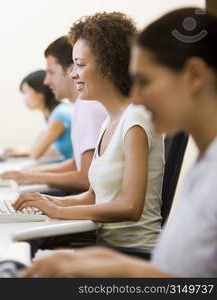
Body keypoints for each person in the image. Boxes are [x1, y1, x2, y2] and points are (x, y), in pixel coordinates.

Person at [21, 7, 217, 277]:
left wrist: (124, 268)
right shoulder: (205, 166)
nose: (135, 96)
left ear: (195, 76)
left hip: (131, 251)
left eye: (145, 81)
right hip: (126, 254)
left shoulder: (137, 120)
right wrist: (115, 262)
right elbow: (181, 271)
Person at [13, 12, 165, 251]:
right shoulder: (109, 121)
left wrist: (56, 210)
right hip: (107, 249)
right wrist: (51, 201)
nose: (73, 74)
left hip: (135, 254)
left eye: (80, 65)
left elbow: (130, 207)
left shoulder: (136, 118)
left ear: (108, 65)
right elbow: (94, 195)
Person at [1, 36, 107, 192]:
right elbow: (75, 163)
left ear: (72, 70)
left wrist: (32, 177)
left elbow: (85, 179)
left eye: (51, 72)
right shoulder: (79, 106)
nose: (46, 81)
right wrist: (27, 174)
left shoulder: (87, 108)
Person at [5, 70, 74, 160]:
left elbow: (35, 154)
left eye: (26, 92)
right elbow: (52, 150)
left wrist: (40, 137)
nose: (24, 99)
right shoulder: (59, 111)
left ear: (40, 92)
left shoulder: (60, 115)